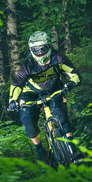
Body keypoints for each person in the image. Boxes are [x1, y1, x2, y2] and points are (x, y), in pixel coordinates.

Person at [7, 31, 82, 163]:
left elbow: (74, 73)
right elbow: (17, 84)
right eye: (36, 50)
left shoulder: (58, 58)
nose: (41, 53)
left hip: (54, 89)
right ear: (31, 51)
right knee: (27, 121)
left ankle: (71, 147)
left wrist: (70, 83)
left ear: (49, 47)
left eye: (43, 49)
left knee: (60, 115)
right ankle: (40, 150)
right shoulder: (28, 65)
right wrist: (13, 101)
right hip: (30, 93)